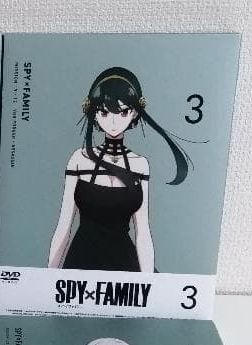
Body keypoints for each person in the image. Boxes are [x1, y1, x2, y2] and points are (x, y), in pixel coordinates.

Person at [47, 67, 190, 272]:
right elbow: (64, 225)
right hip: (81, 264)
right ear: (93, 112)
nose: (113, 122)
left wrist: (148, 281)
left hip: (125, 267)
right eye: (104, 112)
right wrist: (48, 277)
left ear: (134, 113)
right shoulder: (79, 159)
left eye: (123, 112)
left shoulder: (140, 164)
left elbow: (143, 232)